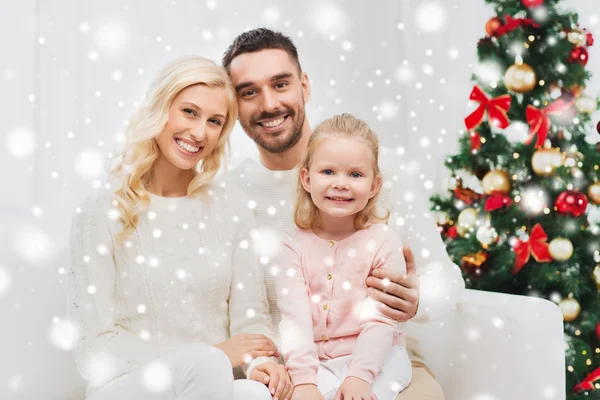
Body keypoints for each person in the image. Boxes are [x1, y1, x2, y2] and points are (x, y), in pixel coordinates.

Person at [223, 28, 465, 399]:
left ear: (304, 85)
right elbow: (237, 310)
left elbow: (447, 279)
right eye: (249, 92)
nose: (269, 104)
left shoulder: (378, 170)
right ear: (234, 105)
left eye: (281, 83)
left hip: (383, 362)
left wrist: (419, 298)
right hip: (290, 373)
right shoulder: (232, 194)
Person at [68, 55, 292, 400]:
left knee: (257, 393)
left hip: (210, 384)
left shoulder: (231, 206)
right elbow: (92, 351)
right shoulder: (101, 212)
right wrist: (212, 355)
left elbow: (250, 320)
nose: (200, 132)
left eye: (215, 121)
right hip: (131, 386)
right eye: (189, 112)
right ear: (160, 108)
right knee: (204, 365)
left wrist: (260, 362)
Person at [277, 114, 412, 400]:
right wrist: (303, 381)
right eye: (328, 172)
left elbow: (381, 320)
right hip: (318, 362)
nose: (341, 183)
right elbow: (294, 320)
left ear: (374, 185)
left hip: (380, 357)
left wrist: (359, 376)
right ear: (307, 178)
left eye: (355, 174)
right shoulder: (292, 245)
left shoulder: (384, 242)